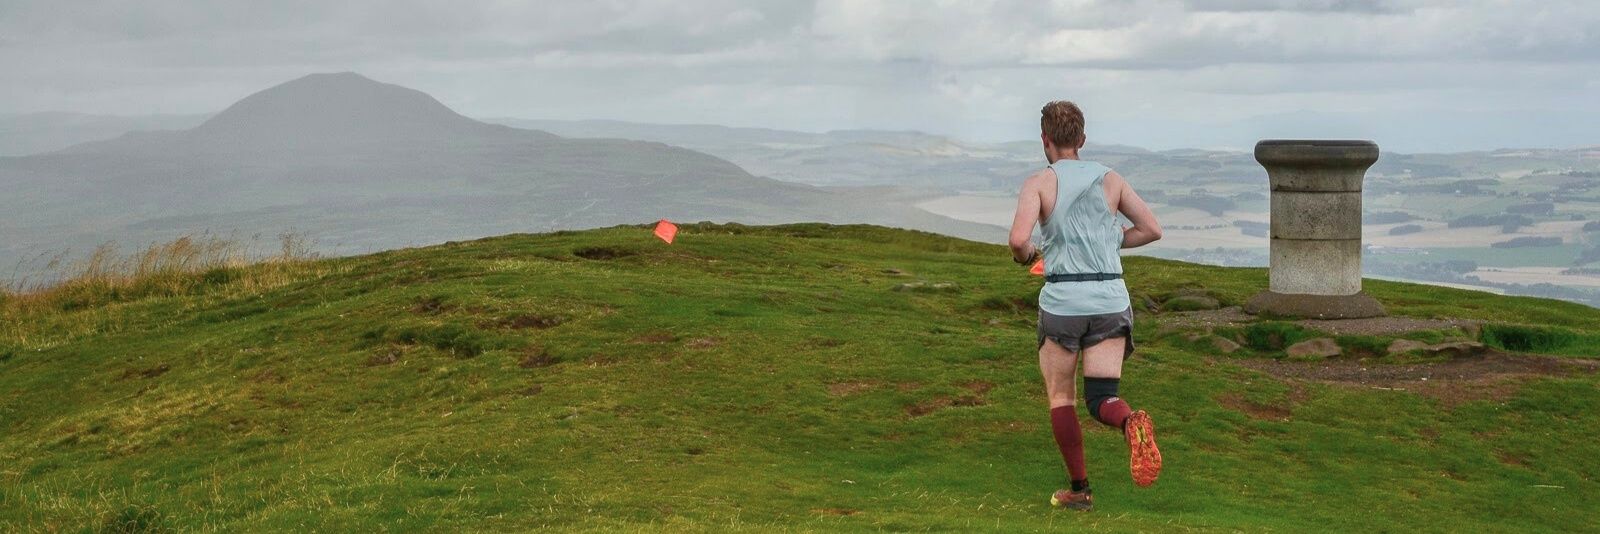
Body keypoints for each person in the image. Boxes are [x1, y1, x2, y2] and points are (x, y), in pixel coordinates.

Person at [1008, 101, 1164, 511]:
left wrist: (1028, 257)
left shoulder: (1038, 183)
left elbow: (1018, 240)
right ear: (1082, 139)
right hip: (1111, 299)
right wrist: (1111, 243)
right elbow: (1151, 229)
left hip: (1063, 300)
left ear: (1045, 140)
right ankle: (1131, 423)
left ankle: (1079, 489)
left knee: (1062, 397)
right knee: (1102, 399)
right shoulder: (1111, 180)